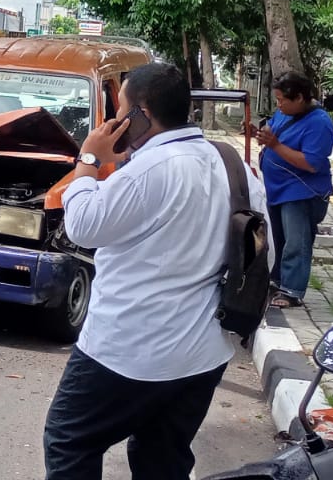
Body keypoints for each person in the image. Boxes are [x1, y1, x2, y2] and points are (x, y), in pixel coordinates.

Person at [44, 62, 269, 479]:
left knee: (69, 441)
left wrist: (89, 160)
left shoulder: (149, 170)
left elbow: (83, 227)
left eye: (121, 111)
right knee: (162, 458)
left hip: (128, 351)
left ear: (141, 114)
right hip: (202, 354)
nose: (115, 121)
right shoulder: (235, 166)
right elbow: (259, 241)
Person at [253, 71, 333, 309]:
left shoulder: (319, 123)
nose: (278, 105)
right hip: (278, 188)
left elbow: (310, 163)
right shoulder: (284, 113)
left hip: (301, 191)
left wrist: (275, 145)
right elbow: (273, 129)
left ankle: (292, 289)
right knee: (278, 238)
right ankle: (277, 279)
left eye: (282, 100)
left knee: (296, 242)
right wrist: (261, 135)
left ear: (299, 98)